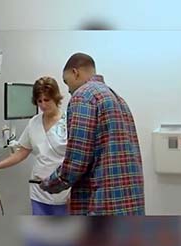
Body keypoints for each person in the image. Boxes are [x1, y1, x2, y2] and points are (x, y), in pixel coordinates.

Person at [39, 52, 145, 216]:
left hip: (102, 202)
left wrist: (51, 183)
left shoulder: (83, 96)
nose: (68, 90)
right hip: (130, 199)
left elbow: (77, 158)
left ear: (76, 72)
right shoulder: (117, 98)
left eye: (66, 82)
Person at [0, 76, 70, 215]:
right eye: (39, 101)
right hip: (39, 191)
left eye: (46, 100)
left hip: (64, 193)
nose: (42, 105)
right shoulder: (34, 123)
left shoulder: (69, 121)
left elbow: (79, 161)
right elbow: (21, 153)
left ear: (56, 98)